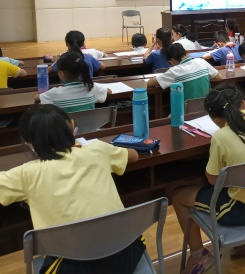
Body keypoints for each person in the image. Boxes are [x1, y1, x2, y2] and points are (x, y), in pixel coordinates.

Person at [0, 104, 144, 273]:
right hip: (125, 253)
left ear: (29, 143)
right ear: (71, 126)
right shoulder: (97, 149)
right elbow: (134, 155)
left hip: (74, 267)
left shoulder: (26, 174)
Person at [172, 85, 245, 274]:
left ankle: (198, 256)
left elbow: (213, 180)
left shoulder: (220, 137)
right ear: (244, 104)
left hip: (241, 211)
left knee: (178, 197)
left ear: (214, 119)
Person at [37, 51, 111, 112]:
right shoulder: (92, 87)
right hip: (90, 126)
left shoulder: (54, 93)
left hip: (66, 126)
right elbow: (109, 91)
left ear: (61, 74)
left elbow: (37, 98)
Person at [147, 43, 222, 101]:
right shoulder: (201, 61)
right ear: (186, 53)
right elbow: (219, 77)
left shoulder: (174, 71)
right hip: (206, 108)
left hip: (185, 112)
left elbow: (150, 83)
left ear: (172, 60)